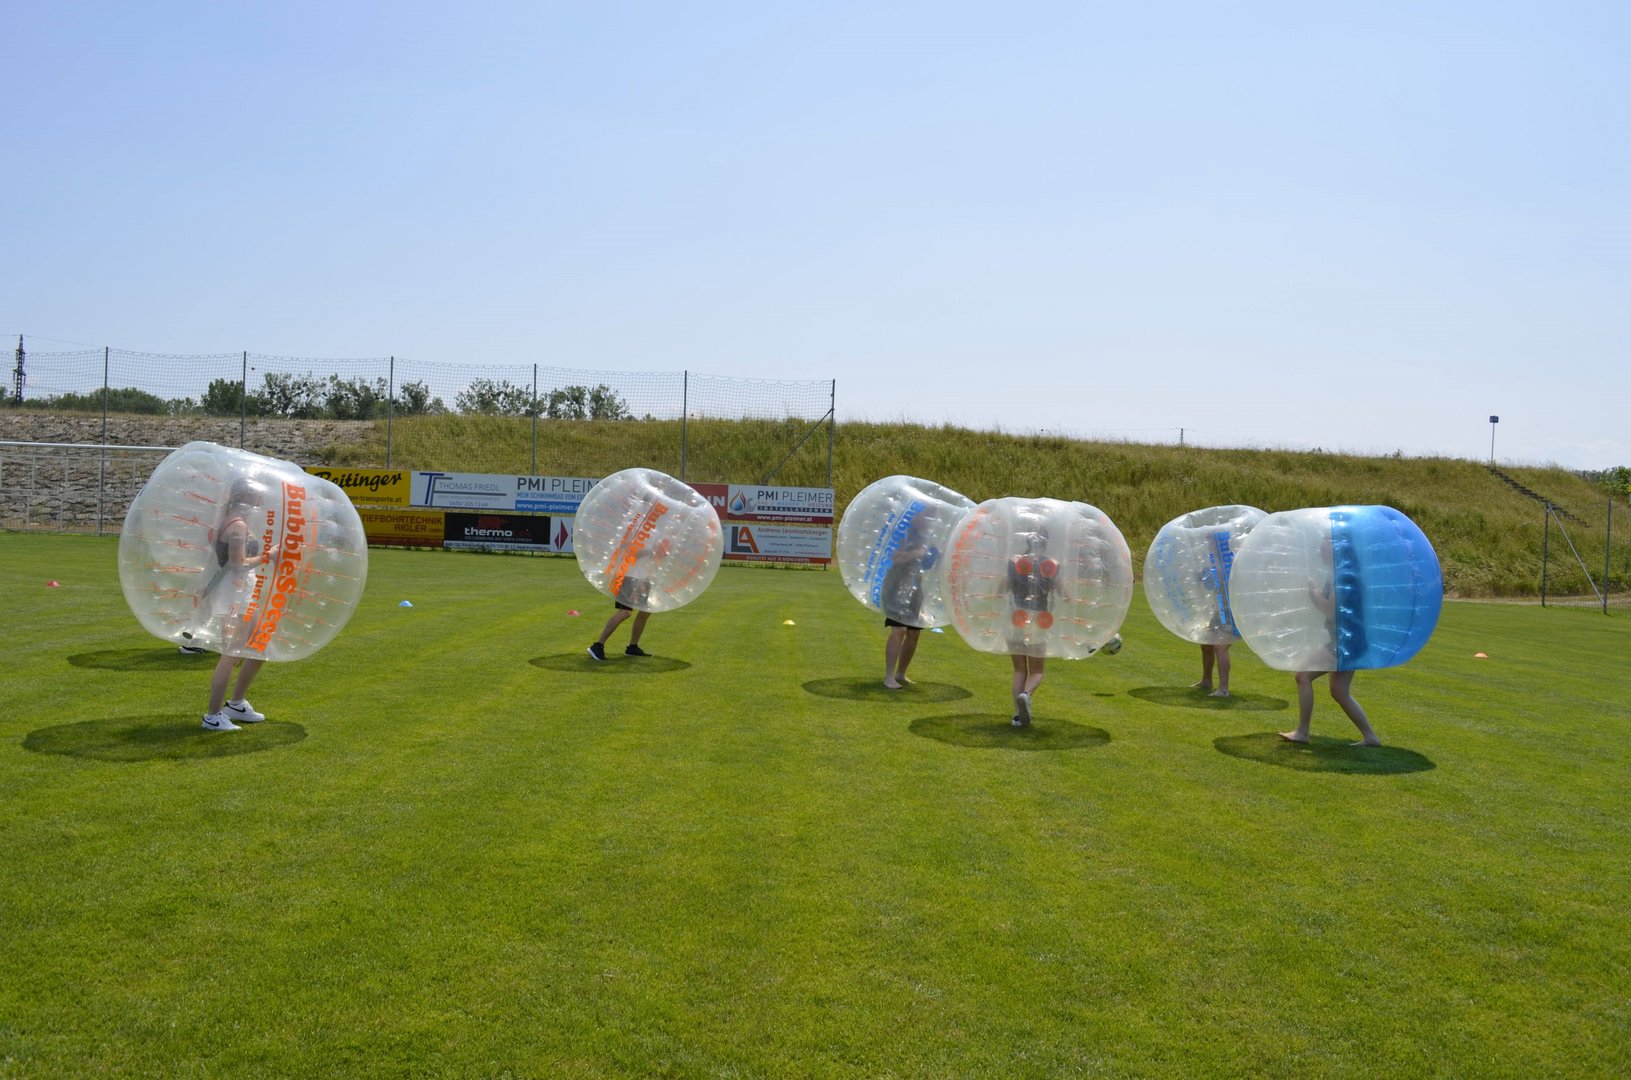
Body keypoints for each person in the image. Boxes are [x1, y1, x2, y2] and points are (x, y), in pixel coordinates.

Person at [200, 479, 269, 731]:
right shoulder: (236, 525)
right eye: (257, 497)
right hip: (233, 594)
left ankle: (236, 704)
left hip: (242, 591)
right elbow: (237, 564)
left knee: (260, 645)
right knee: (231, 655)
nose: (260, 502)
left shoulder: (236, 521)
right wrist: (269, 556)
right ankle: (213, 716)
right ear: (247, 498)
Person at [1005, 527, 1060, 727]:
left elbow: (1002, 588)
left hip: (1016, 618)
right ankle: (1026, 695)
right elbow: (1063, 592)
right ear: (1045, 542)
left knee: (1020, 670)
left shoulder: (1014, 562)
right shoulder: (1051, 565)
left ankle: (1018, 716)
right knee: (1037, 671)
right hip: (1039, 619)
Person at [880, 512, 935, 689]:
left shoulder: (925, 538)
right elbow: (894, 557)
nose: (930, 520)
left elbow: (925, 565)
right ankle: (889, 677)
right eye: (927, 516)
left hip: (915, 588)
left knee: (914, 632)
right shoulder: (902, 534)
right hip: (895, 587)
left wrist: (931, 556)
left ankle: (901, 674)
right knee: (899, 630)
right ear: (917, 517)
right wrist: (918, 552)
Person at [588, 537, 666, 661]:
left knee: (645, 611)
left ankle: (632, 647)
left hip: (643, 577)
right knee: (625, 612)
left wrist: (659, 554)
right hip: (628, 575)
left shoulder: (656, 532)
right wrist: (650, 552)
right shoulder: (635, 528)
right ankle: (598, 645)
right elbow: (627, 552)